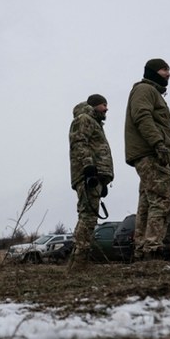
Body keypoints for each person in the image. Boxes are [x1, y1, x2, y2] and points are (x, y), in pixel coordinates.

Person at [124, 58, 170, 261]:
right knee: (161, 199)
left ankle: (141, 249)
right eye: (164, 70)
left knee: (147, 201)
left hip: (148, 153)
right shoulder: (146, 90)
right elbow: (142, 116)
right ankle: (153, 248)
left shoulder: (150, 91)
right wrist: (158, 144)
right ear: (153, 72)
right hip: (152, 153)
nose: (168, 74)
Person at [68, 94, 114, 268]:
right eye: (103, 104)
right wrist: (89, 169)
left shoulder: (94, 123)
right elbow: (79, 142)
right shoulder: (84, 119)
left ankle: (78, 262)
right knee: (87, 217)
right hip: (89, 174)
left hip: (96, 175)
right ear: (94, 105)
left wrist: (103, 179)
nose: (106, 108)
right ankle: (79, 262)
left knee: (89, 215)